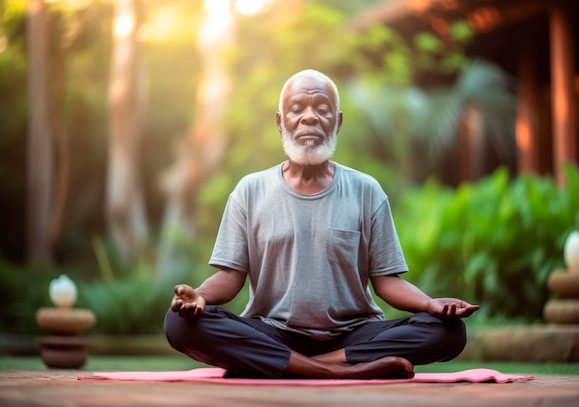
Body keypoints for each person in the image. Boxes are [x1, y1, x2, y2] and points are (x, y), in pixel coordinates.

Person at [164, 69, 480, 379]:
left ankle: (299, 364)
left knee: (448, 331)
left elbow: (386, 282)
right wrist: (200, 297)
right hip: (273, 331)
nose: (310, 117)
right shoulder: (250, 190)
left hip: (353, 335)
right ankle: (338, 371)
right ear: (280, 122)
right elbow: (230, 277)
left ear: (337, 122)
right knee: (179, 323)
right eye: (297, 109)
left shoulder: (366, 190)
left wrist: (429, 304)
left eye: (322, 109)